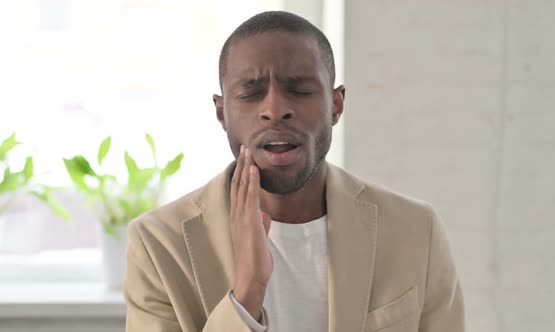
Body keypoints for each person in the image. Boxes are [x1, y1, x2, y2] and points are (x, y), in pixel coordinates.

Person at [124, 10, 464, 332]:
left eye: (299, 90)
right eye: (251, 92)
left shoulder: (415, 231)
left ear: (336, 105)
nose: (275, 109)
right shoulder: (158, 245)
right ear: (221, 112)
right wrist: (248, 290)